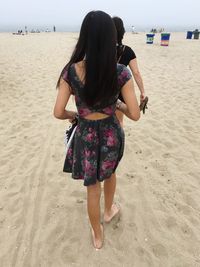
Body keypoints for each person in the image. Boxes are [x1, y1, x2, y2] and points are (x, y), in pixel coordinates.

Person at [54, 11, 140, 250]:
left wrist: (76, 115)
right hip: (111, 133)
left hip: (86, 135)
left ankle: (97, 234)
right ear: (110, 38)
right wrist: (117, 104)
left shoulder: (70, 71)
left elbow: (58, 111)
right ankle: (109, 212)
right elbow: (134, 114)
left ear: (85, 38)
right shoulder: (121, 71)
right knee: (110, 173)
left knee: (92, 187)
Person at [112, 16, 146, 126]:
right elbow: (136, 73)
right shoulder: (127, 51)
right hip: (120, 91)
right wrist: (142, 92)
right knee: (119, 122)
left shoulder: (102, 50)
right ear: (122, 31)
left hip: (102, 89)